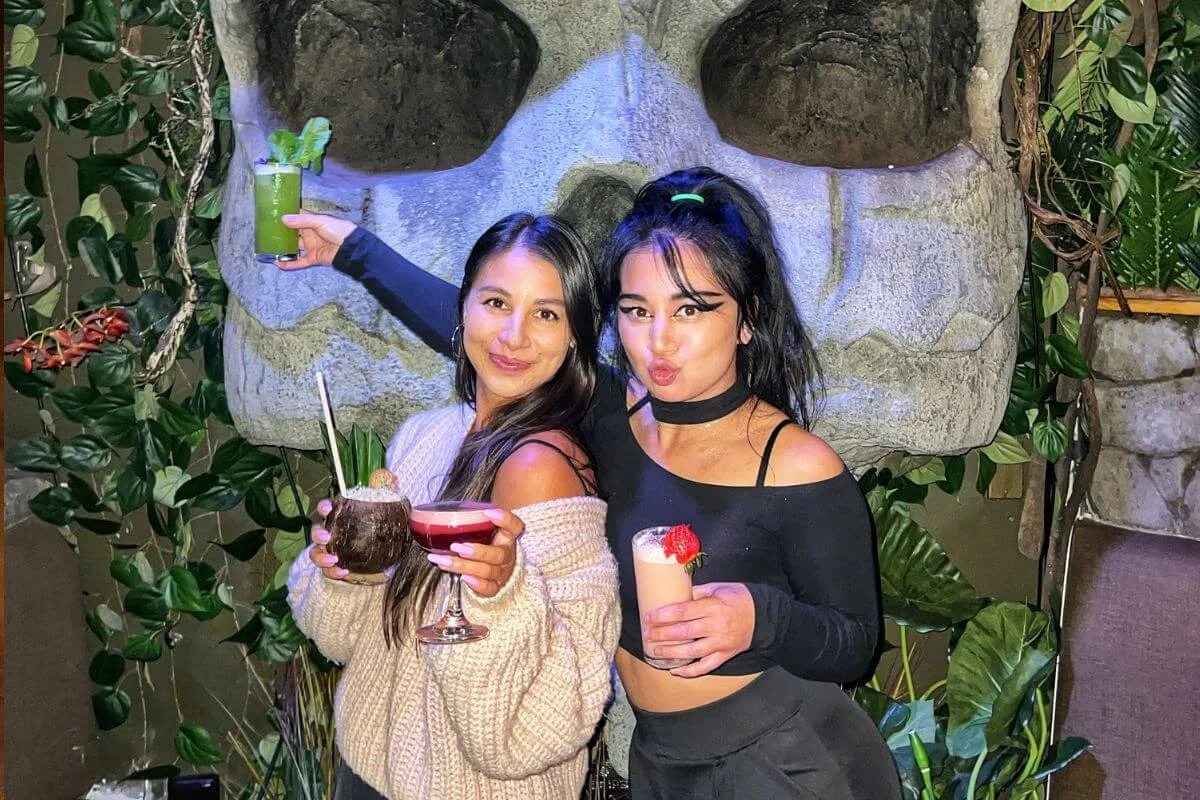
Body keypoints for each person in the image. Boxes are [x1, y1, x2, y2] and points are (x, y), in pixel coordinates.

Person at [281, 168, 901, 799]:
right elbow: (502, 338)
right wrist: (352, 251)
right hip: (659, 762)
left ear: (748, 318)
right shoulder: (615, 417)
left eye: (691, 309)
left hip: (780, 759)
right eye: (636, 310)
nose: (659, 340)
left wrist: (760, 618)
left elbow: (855, 642)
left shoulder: (797, 464)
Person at [286, 213, 620, 800]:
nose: (513, 335)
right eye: (495, 302)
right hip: (368, 773)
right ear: (462, 308)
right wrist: (350, 571)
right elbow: (342, 643)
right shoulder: (426, 436)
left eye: (546, 313)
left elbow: (534, 732)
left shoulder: (541, 467)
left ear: (575, 335)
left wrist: (503, 597)